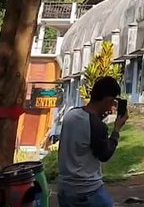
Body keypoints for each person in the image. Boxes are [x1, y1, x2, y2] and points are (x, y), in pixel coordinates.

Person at [57, 76, 127, 207]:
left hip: (65, 189)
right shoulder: (96, 125)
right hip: (88, 191)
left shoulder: (70, 115)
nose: (113, 106)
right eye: (113, 102)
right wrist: (116, 129)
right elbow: (105, 154)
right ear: (108, 100)